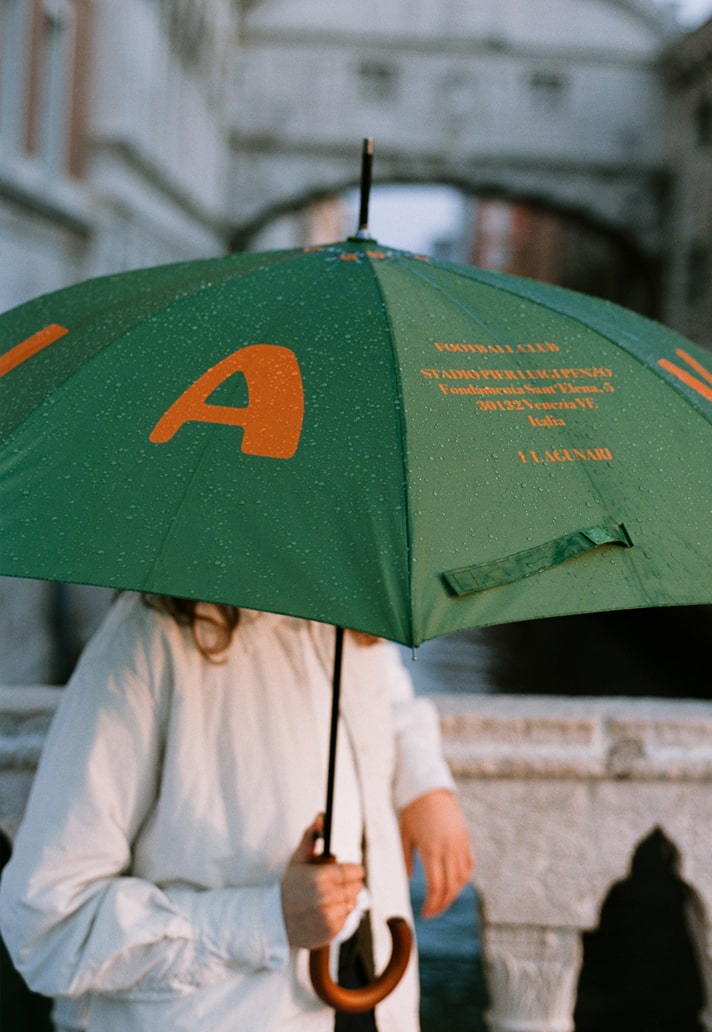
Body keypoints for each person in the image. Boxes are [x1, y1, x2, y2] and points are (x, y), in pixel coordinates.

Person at [0, 593, 473, 1031]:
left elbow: (388, 690)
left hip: (372, 997)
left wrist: (423, 781)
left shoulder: (345, 615)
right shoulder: (143, 642)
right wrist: (264, 919)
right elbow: (49, 926)